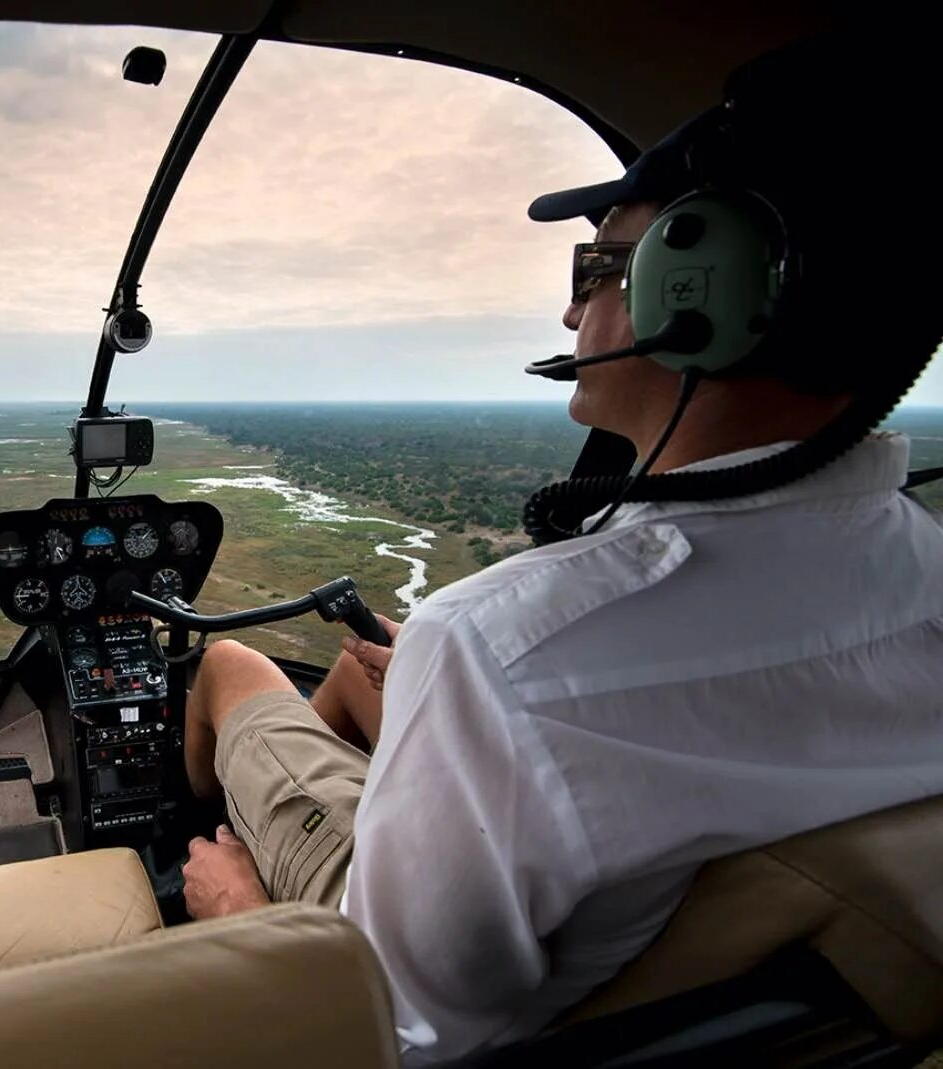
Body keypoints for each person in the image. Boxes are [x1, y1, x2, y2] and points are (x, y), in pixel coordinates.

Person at [177, 41, 943, 1065]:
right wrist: (464, 702)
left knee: (231, 667)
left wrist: (236, 913)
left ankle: (203, 831)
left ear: (695, 289)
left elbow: (391, 1036)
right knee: (377, 680)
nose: (571, 310)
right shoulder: (922, 578)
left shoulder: (497, 648)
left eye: (595, 266)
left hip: (393, 981)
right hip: (713, 997)